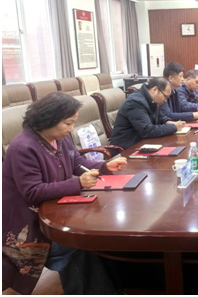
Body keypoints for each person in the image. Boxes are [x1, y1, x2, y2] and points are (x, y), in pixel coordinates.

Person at [2, 92, 127, 294]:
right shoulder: (23, 147)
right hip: (29, 224)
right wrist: (78, 183)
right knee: (74, 247)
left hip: (58, 209)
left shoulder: (60, 138)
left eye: (73, 123)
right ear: (48, 120)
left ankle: (118, 286)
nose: (71, 129)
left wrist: (105, 166)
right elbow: (33, 192)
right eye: (68, 123)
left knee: (99, 234)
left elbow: (77, 162)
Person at [110, 77, 184, 149]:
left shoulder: (152, 100)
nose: (165, 100)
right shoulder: (136, 102)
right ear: (154, 89)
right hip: (126, 149)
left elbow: (160, 116)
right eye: (165, 96)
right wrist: (174, 127)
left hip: (143, 144)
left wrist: (167, 121)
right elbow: (147, 130)